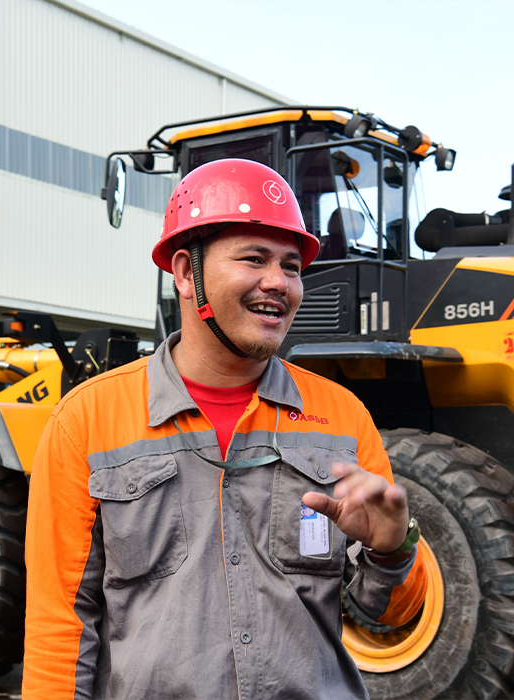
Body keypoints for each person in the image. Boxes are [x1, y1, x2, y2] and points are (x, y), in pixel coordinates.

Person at [23, 158, 428, 700]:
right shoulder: (87, 421)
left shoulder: (343, 418)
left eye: (291, 266)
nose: (278, 283)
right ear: (185, 272)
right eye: (254, 258)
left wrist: (393, 550)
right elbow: (60, 628)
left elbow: (388, 616)